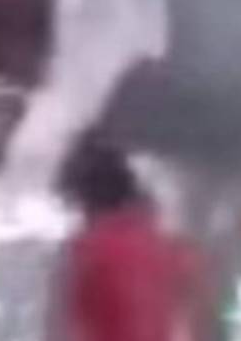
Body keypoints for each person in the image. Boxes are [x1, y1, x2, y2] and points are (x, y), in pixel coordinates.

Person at [55, 140, 204, 341]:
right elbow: (185, 320)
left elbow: (70, 327)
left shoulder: (85, 251)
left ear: (85, 200)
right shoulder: (174, 251)